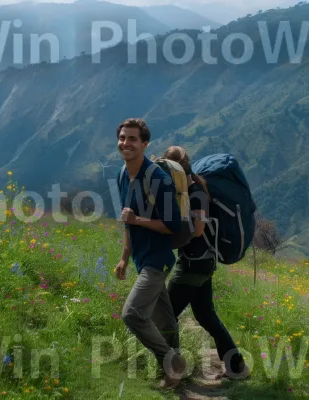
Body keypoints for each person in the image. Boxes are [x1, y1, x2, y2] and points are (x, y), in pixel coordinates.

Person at [163, 145, 250, 380]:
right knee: (205, 315)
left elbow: (198, 230)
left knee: (166, 314)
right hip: (202, 261)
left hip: (194, 263)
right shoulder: (193, 189)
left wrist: (170, 231)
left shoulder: (196, 194)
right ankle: (237, 367)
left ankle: (172, 370)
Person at [114, 118, 187, 389]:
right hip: (141, 258)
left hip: (158, 260)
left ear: (145, 144)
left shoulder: (158, 180)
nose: (126, 143)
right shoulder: (123, 174)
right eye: (122, 138)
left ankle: (172, 362)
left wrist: (138, 221)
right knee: (166, 319)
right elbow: (126, 219)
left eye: (132, 139)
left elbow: (172, 225)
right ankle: (174, 373)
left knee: (132, 314)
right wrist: (124, 257)